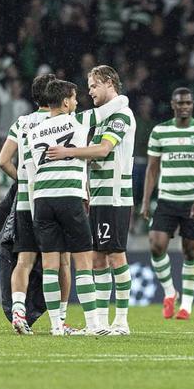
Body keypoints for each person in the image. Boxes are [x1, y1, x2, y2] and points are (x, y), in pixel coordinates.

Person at [23, 79, 128, 336]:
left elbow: (31, 172)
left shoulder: (33, 131)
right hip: (69, 197)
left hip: (42, 200)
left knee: (50, 265)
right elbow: (118, 104)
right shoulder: (78, 120)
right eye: (74, 98)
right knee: (83, 262)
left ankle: (56, 326)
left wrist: (37, 207)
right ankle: (94, 325)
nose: (78, 102)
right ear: (65, 102)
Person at [47, 65, 135, 335]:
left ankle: (122, 321)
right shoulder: (103, 119)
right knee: (97, 259)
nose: (90, 92)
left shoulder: (121, 115)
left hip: (115, 197)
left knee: (116, 256)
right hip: (98, 196)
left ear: (109, 82)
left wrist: (68, 152)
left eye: (94, 86)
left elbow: (103, 149)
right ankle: (100, 323)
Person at [0, 73, 74, 335]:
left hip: (26, 202)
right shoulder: (65, 121)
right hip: (56, 198)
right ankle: (60, 320)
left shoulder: (22, 122)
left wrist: (24, 180)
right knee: (62, 262)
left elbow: (3, 161)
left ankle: (18, 312)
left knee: (24, 259)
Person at [140, 87, 194, 321]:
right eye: (180, 103)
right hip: (167, 199)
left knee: (191, 251)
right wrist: (145, 200)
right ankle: (170, 292)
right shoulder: (160, 131)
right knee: (156, 245)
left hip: (192, 201)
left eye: (188, 103)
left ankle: (187, 306)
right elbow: (152, 169)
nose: (185, 107)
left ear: (193, 105)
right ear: (173, 105)